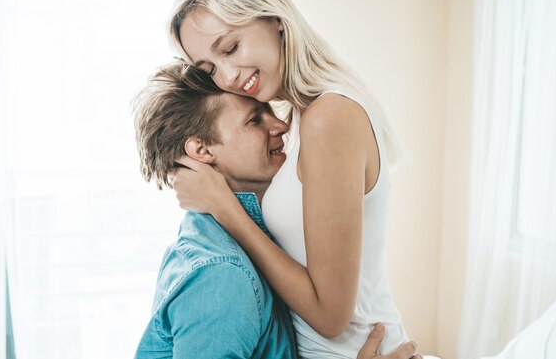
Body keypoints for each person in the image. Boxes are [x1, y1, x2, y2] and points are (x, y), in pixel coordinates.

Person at [167, 0, 410, 359]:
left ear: (273, 18)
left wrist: (226, 209)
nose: (227, 77)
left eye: (230, 47)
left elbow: (331, 317)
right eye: (209, 68)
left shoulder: (328, 118)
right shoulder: (294, 118)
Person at [131, 62, 420, 359]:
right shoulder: (221, 275)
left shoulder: (244, 235)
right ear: (202, 151)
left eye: (270, 110)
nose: (280, 125)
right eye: (254, 120)